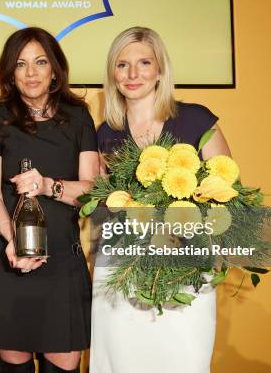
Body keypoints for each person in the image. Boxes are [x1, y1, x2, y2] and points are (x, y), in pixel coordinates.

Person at [91, 26, 232, 373]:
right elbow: (104, 204)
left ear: (160, 70)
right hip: (123, 267)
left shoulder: (196, 118)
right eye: (122, 65)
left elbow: (229, 193)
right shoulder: (106, 132)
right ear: (113, 72)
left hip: (186, 266)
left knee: (184, 360)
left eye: (143, 63)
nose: (133, 74)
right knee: (121, 362)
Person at [0, 27, 99, 373]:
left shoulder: (79, 116)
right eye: (21, 64)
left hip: (61, 259)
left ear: (55, 69)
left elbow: (92, 191)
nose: (31, 73)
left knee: (64, 362)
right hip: (6, 256)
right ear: (10, 73)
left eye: (40, 62)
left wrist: (48, 186)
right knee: (13, 363)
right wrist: (14, 240)